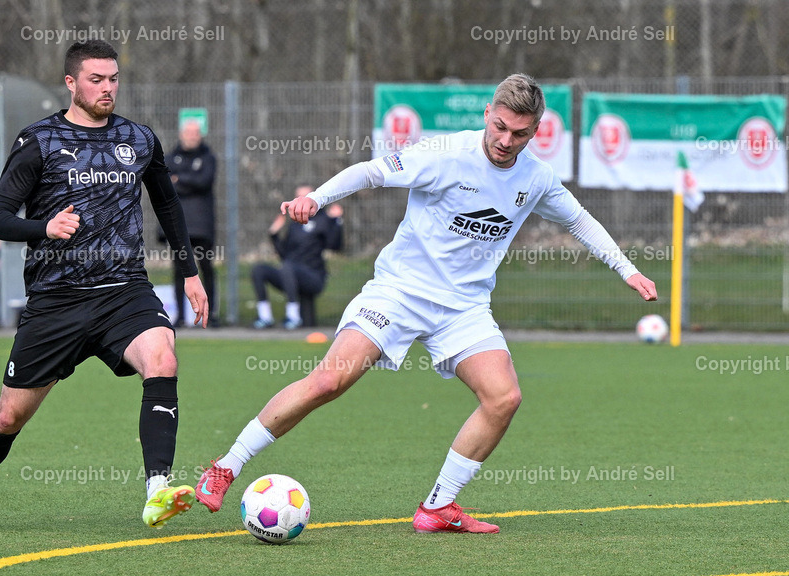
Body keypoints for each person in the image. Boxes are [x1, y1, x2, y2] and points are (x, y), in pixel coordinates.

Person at [195, 74, 658, 534]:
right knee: (329, 381)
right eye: (498, 126)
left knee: (504, 398)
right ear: (487, 115)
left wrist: (628, 270)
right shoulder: (444, 155)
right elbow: (371, 172)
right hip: (399, 291)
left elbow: (580, 221)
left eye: (518, 133)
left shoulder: (535, 178)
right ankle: (227, 466)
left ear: (535, 131)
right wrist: (316, 198)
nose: (505, 139)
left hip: (464, 308)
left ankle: (438, 506)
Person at [0, 40, 209, 531]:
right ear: (71, 83)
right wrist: (44, 227)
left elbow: (168, 205)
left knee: (163, 357)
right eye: (96, 80)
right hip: (56, 302)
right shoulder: (39, 141)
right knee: (8, 417)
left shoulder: (140, 138)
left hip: (123, 290)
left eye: (113, 79)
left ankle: (158, 490)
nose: (107, 89)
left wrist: (189, 271)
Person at [251, 184, 343, 329]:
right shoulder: (294, 224)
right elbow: (285, 256)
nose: (301, 200)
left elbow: (335, 246)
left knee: (288, 267)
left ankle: (293, 316)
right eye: (298, 196)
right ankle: (265, 317)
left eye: (305, 196)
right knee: (259, 270)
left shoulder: (324, 219)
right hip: (290, 275)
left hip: (313, 277)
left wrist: (337, 221)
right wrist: (274, 235)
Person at [164, 119, 217, 327]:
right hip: (178, 225)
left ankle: (211, 316)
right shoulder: (170, 156)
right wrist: (187, 181)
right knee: (179, 270)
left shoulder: (208, 157)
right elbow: (167, 184)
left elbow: (204, 182)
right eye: (189, 132)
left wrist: (180, 181)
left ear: (200, 135)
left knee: (206, 268)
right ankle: (180, 316)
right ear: (181, 134)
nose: (192, 136)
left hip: (202, 225)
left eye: (196, 133)